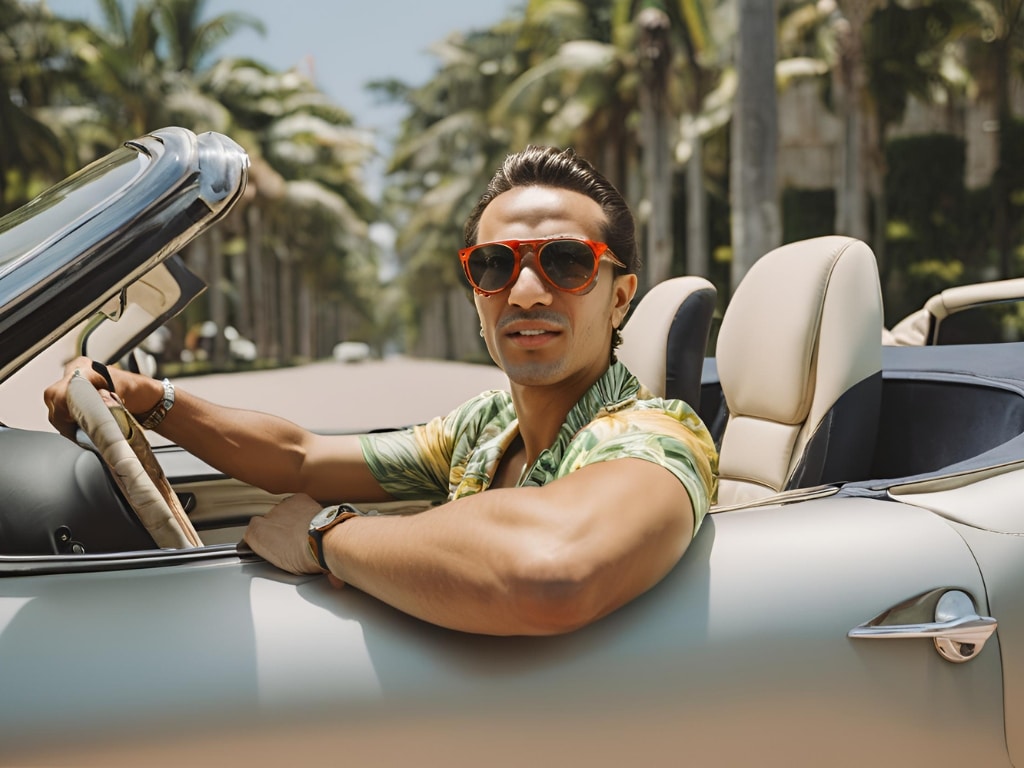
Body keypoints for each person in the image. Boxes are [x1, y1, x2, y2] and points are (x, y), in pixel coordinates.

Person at [45, 145, 718, 636]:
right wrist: (147, 397)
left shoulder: (653, 434)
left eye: (567, 263)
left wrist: (324, 533)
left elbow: (548, 573)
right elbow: (301, 458)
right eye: (494, 264)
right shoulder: (485, 427)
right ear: (477, 296)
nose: (526, 291)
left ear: (621, 297)